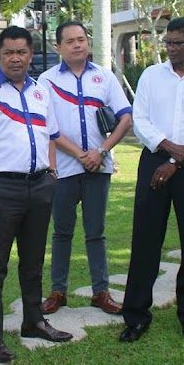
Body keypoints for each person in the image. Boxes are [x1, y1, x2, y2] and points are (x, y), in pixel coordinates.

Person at [0, 26, 72, 364]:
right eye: (8, 52)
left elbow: (51, 135)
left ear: (30, 54)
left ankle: (33, 321)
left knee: (33, 261)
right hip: (1, 189)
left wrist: (52, 174)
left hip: (39, 186)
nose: (15, 58)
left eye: (21, 52)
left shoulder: (41, 92)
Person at [119, 18, 184, 342]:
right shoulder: (151, 75)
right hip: (154, 159)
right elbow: (141, 119)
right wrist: (167, 149)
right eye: (168, 42)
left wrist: (175, 164)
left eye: (178, 43)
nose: (171, 48)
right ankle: (136, 317)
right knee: (146, 240)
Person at [38, 21, 133, 316]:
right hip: (63, 170)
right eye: (70, 41)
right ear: (59, 47)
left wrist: (101, 152)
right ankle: (58, 292)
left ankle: (100, 292)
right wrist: (81, 154)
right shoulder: (47, 80)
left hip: (98, 168)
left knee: (96, 232)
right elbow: (47, 126)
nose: (77, 44)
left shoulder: (104, 77)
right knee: (61, 232)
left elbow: (126, 118)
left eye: (81, 39)